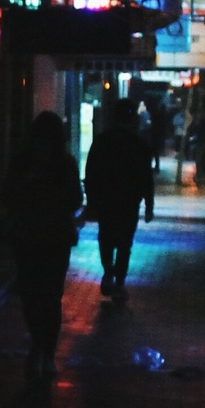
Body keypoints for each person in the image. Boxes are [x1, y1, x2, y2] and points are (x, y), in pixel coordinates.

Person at [0, 111, 84, 382]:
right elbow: (74, 199)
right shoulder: (52, 164)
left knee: (40, 296)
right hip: (44, 238)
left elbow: (8, 196)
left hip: (38, 238)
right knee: (43, 297)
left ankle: (42, 350)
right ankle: (42, 349)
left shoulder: (36, 163)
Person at [82, 97, 154, 300]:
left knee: (106, 236)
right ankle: (119, 281)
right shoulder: (139, 144)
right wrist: (149, 204)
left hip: (107, 200)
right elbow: (146, 177)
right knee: (125, 243)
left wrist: (92, 198)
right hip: (130, 202)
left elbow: (92, 171)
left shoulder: (103, 140)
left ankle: (108, 272)